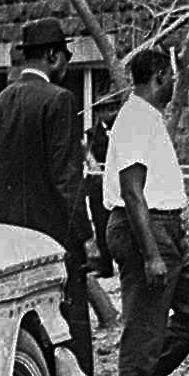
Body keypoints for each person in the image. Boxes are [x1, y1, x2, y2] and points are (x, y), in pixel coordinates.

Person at [0, 19, 112, 376]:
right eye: (66, 58)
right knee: (70, 329)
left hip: (8, 241)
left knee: (26, 331)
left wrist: (4, 224)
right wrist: (86, 238)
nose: (66, 66)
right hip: (53, 241)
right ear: (53, 56)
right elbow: (66, 179)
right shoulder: (59, 100)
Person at [102, 46, 189, 376]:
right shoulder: (135, 118)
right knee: (144, 330)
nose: (174, 83)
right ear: (156, 78)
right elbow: (132, 193)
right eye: (170, 76)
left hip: (169, 229)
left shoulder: (149, 117)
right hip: (146, 229)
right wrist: (151, 253)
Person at [84, 109, 115, 278]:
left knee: (107, 226)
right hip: (97, 186)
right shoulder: (93, 134)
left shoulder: (109, 135)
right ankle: (105, 264)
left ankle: (107, 264)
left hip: (106, 185)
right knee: (101, 226)